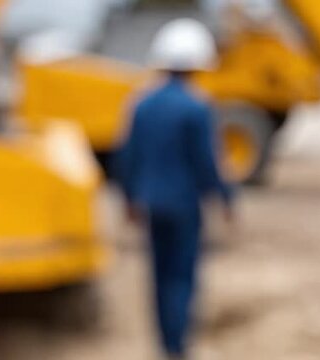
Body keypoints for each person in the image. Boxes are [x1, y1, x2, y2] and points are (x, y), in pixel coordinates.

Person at [115, 18, 234, 359]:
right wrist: (225, 198)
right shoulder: (196, 107)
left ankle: (164, 343)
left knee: (159, 276)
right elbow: (206, 162)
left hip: (152, 204)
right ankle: (178, 347)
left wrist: (129, 199)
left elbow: (129, 157)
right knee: (181, 277)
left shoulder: (142, 104)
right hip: (185, 205)